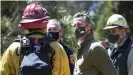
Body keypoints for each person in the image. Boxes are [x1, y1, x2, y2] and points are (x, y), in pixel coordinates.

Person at [0, 3, 70, 75]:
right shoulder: (57, 48)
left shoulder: (13, 48)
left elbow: (3, 72)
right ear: (45, 24)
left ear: (25, 25)